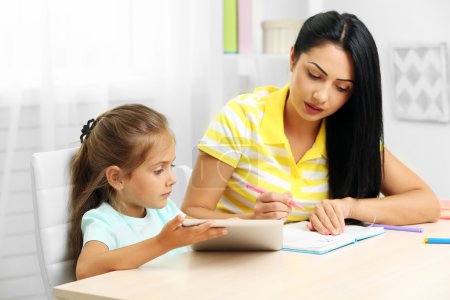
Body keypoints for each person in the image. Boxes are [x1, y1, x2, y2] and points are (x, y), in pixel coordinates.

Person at [182, 11, 440, 236]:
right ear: (293, 57)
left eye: (342, 88)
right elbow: (192, 215)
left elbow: (426, 204)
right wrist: (251, 221)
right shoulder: (239, 119)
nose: (322, 96)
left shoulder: (350, 132)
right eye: (314, 75)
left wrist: (348, 206)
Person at [69, 104, 227, 280]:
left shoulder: (165, 211)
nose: (172, 179)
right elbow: (85, 269)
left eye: (171, 165)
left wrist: (250, 220)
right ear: (117, 178)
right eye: (159, 170)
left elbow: (202, 231)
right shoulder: (103, 221)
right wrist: (162, 243)